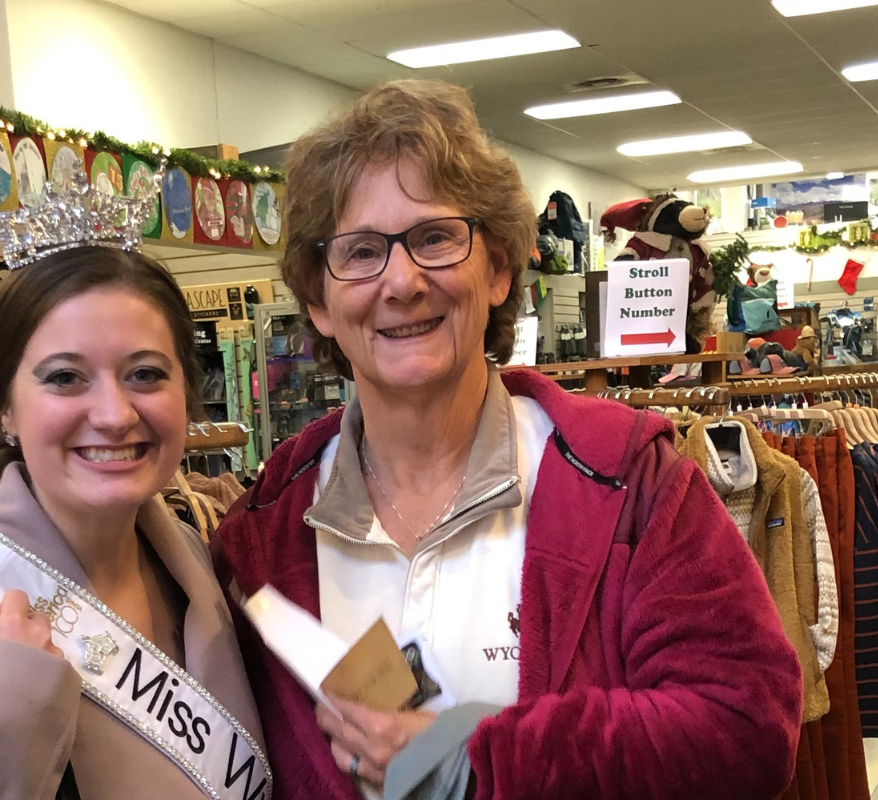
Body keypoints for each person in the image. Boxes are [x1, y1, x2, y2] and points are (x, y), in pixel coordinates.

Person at [213, 80, 802, 800]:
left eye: (434, 238)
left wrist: (485, 757)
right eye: (361, 251)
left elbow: (748, 728)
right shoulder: (264, 532)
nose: (401, 281)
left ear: (497, 269)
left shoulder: (625, 482)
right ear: (319, 301)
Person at [0, 248, 269, 800]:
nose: (115, 415)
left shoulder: (189, 557)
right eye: (66, 377)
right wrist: (8, 726)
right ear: (7, 409)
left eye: (145, 374)